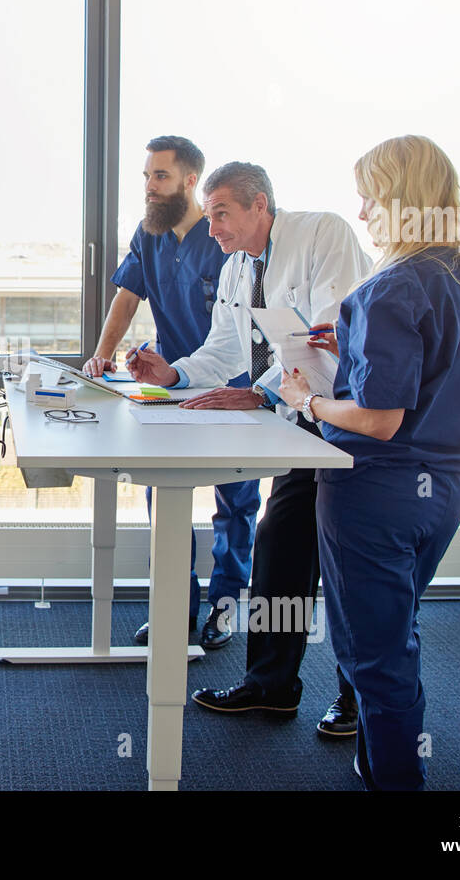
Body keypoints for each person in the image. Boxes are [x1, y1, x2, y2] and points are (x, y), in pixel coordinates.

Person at [279, 135, 460, 788]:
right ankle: (378, 757)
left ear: (400, 202)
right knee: (393, 636)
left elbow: (378, 419)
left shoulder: (388, 288)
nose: (361, 213)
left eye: (370, 197)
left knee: (375, 656)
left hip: (372, 493)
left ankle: (396, 778)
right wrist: (350, 338)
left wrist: (309, 400)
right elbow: (434, 365)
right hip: (442, 494)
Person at [127, 161, 369, 735]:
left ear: (259, 204)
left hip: (350, 423)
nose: (212, 230)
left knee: (349, 567)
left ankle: (361, 702)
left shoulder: (322, 234)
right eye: (208, 216)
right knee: (280, 545)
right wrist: (173, 375)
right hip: (301, 424)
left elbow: (330, 342)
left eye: (221, 215)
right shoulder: (238, 268)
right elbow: (221, 352)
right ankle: (271, 687)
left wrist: (255, 394)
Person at [82, 136, 261, 650]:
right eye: (145, 177)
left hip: (231, 387)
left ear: (189, 182)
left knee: (235, 504)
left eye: (159, 177)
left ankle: (223, 611)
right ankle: (174, 611)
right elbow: (126, 298)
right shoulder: (149, 234)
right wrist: (101, 355)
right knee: (163, 496)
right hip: (167, 384)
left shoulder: (223, 236)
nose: (149, 187)